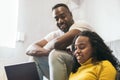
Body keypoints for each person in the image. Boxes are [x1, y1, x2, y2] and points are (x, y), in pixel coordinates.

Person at [26, 3, 94, 80]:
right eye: (56, 19)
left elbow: (57, 43)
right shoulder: (55, 34)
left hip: (84, 67)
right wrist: (47, 52)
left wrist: (49, 49)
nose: (60, 21)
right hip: (66, 69)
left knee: (56, 54)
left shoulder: (81, 25)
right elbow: (30, 48)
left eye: (63, 16)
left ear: (70, 15)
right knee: (34, 57)